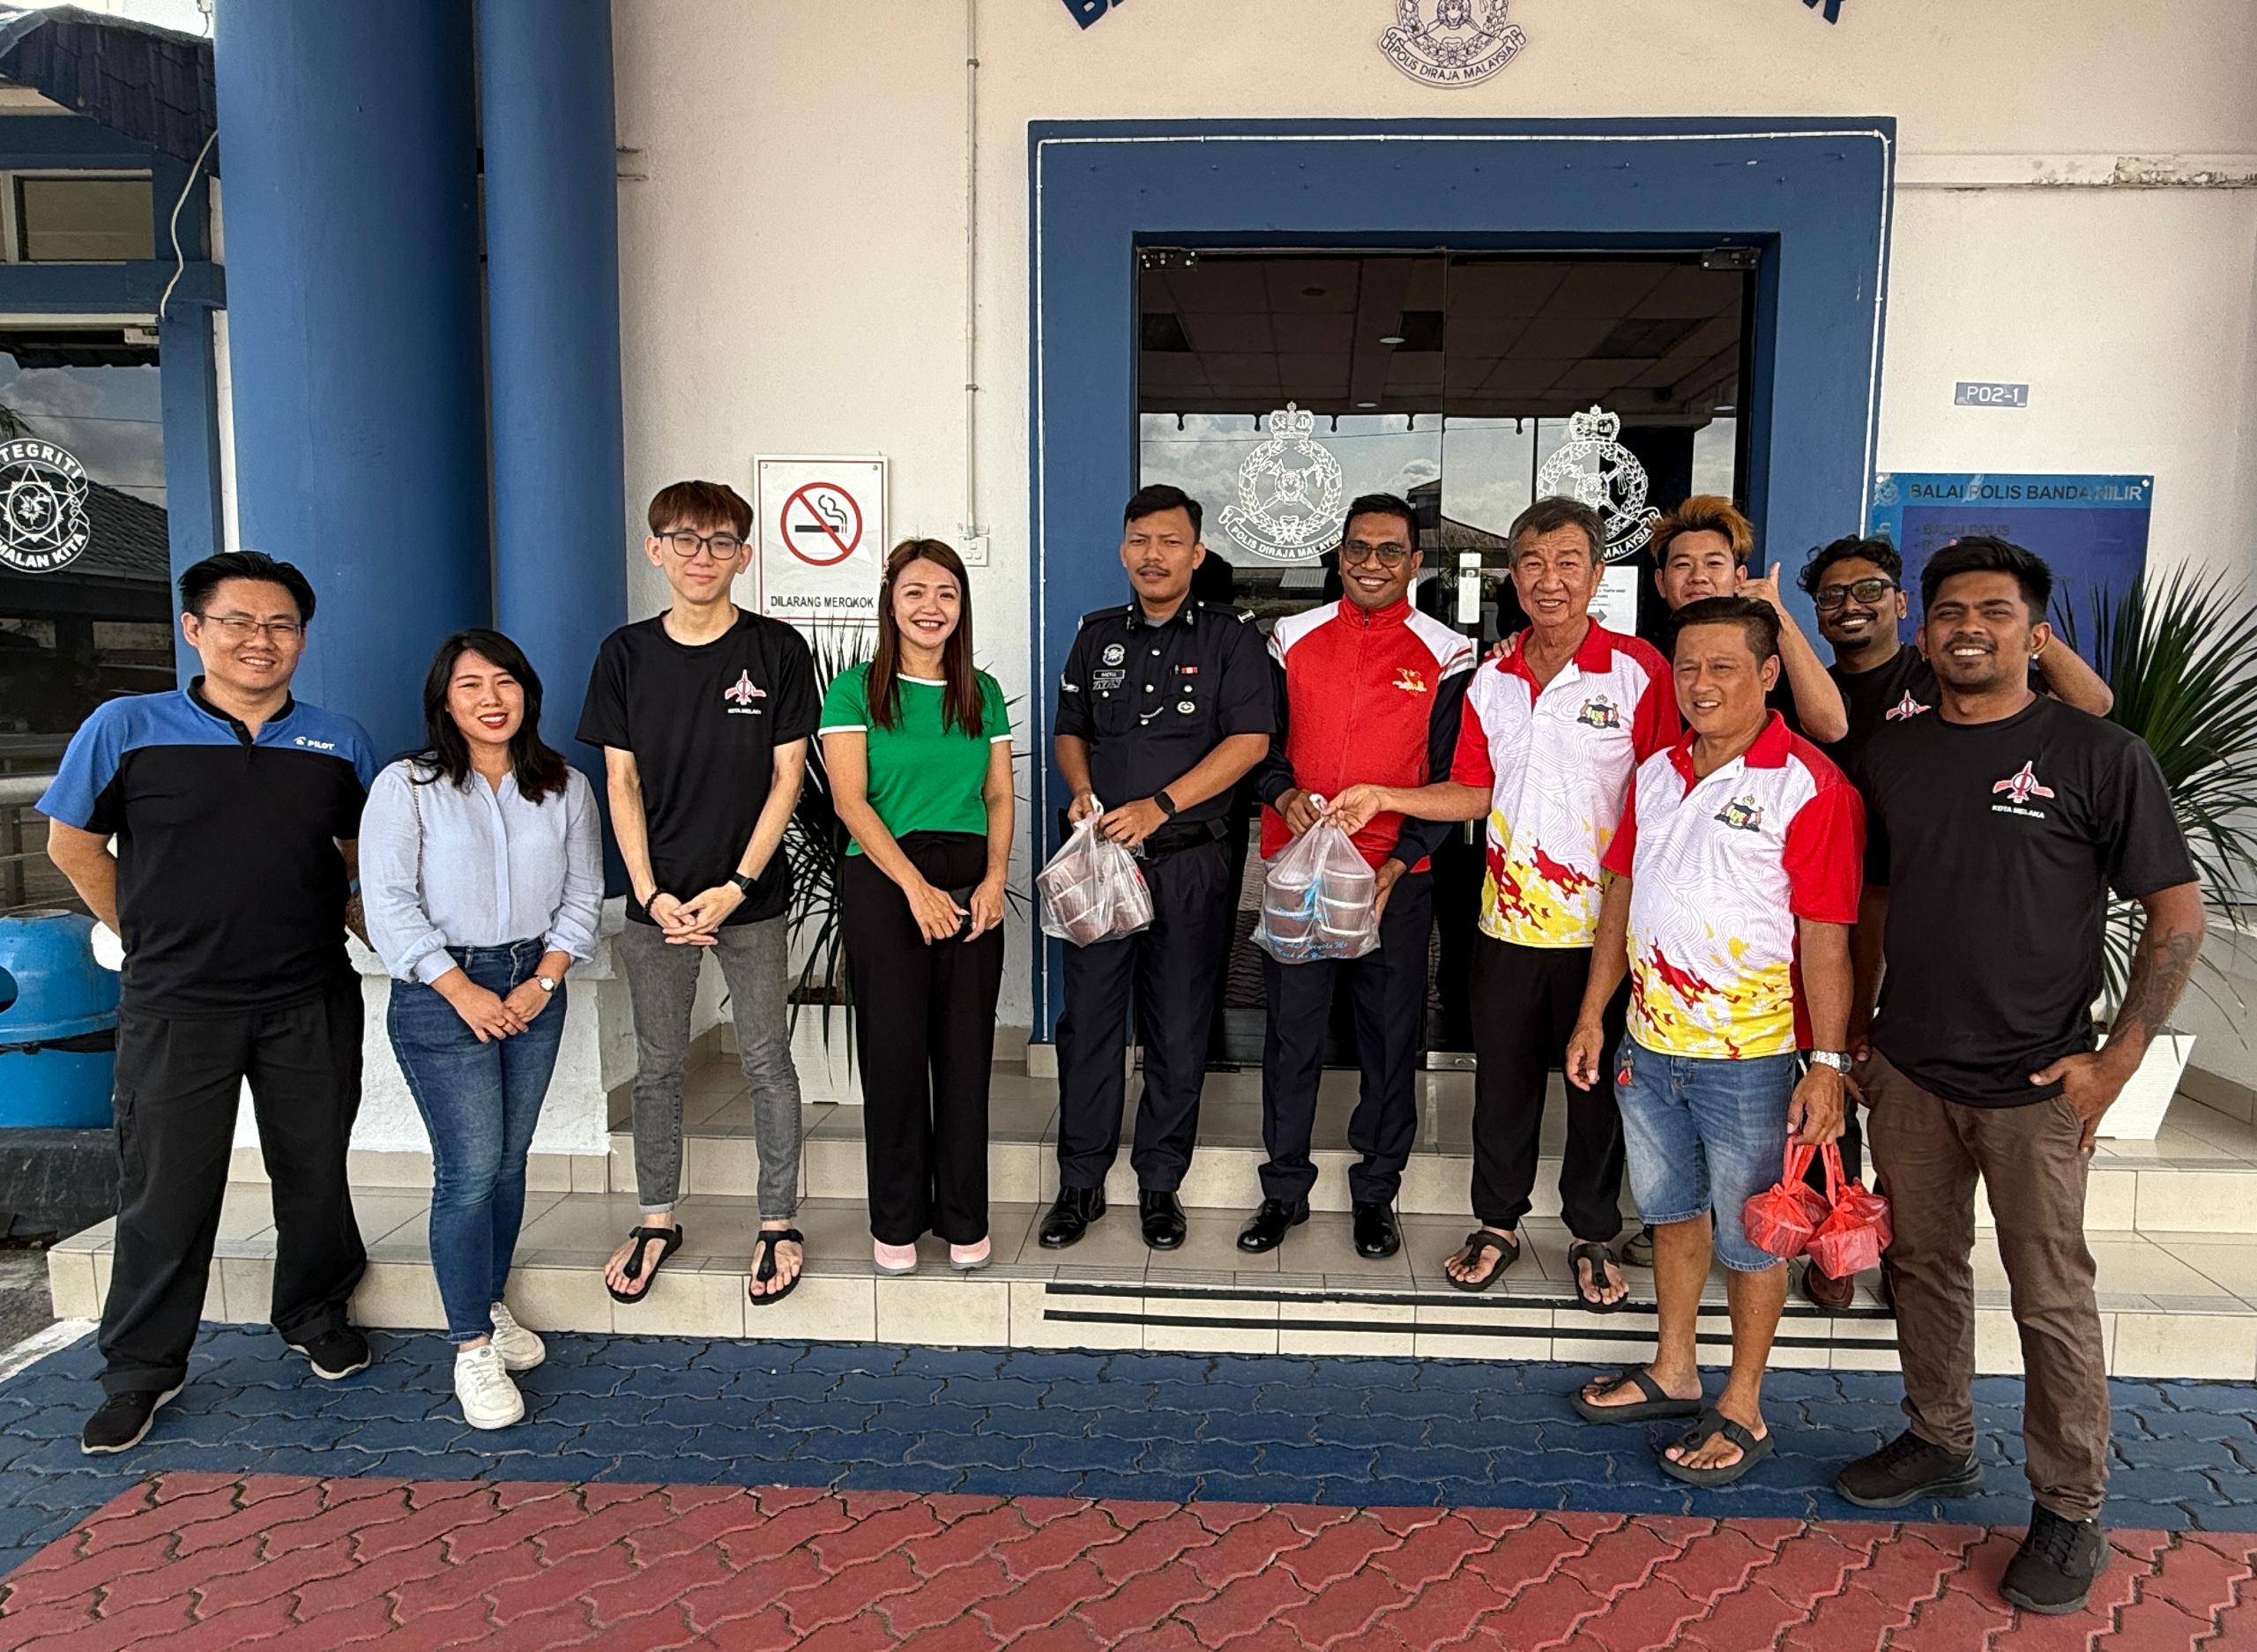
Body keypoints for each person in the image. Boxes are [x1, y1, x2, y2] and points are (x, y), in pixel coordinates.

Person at [1835, 537, 2202, 1616]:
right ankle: (1938, 1437)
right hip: (1908, 1070)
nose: (1967, 628)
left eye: (1993, 611)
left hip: (2040, 1082)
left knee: (2050, 1299)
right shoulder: (1895, 756)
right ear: (1923, 627)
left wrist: (2118, 1058)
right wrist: (1857, 1033)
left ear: (2033, 634)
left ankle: (2069, 1505)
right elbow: (1876, 905)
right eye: (1950, 610)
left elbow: (2173, 913)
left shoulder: (2098, 753)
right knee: (1924, 1268)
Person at [40, 551, 378, 1455]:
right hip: (176, 1002)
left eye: (280, 625)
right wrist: (147, 931)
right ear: (195, 629)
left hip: (308, 991)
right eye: (238, 621)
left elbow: (356, 848)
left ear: (302, 637)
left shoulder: (339, 739)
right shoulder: (127, 725)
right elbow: (72, 844)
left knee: (312, 1164)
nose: (259, 640)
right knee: (166, 1182)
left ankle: (315, 1311)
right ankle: (142, 1366)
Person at [1332, 496, 1677, 1310]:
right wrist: (1389, 794)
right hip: (1508, 925)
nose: (1549, 581)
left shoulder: (1641, 672)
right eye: (1532, 563)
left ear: (1597, 574)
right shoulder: (1494, 677)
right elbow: (1474, 793)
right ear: (1512, 576)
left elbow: (1667, 790)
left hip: (1610, 930)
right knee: (1503, 1085)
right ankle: (1498, 1223)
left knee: (1597, 1091)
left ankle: (1591, 1232)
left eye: (1567, 564)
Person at [1563, 596, 1863, 1485]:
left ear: (1768, 673)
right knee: (1668, 1211)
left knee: (1751, 1239)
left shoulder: (1808, 783)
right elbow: (1620, 894)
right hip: (1649, 1045)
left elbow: (1827, 936)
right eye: (1687, 666)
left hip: (1757, 1060)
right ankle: (1673, 1366)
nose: (1699, 683)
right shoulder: (1655, 771)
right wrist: (1593, 1012)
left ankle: (1742, 1403)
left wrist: (1830, 1065)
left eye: (1723, 665)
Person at [1790, 532, 2115, 1311]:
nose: (1850, 606)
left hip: (1949, 921)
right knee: (1839, 1069)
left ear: (1904, 607)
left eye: (1869, 590)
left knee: (1905, 1094)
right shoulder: (1817, 688)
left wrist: (2017, 633)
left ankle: (1896, 1255)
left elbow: (2095, 707)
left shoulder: (1938, 668)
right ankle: (1840, 1245)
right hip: (1857, 904)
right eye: (1831, 596)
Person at [577, 481, 816, 1308]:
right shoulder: (625, 654)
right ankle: (655, 1217)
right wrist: (648, 893)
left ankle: (778, 1220)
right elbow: (621, 777)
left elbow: (787, 776)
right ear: (655, 549)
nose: (701, 556)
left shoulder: (777, 649)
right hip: (658, 904)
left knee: (766, 1063)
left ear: (744, 556)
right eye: (684, 539)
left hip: (749, 897)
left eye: (720, 542)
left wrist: (736, 883)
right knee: (656, 1067)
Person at [359, 629, 601, 1429]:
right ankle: (469, 1347)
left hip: (535, 984)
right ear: (445, 701)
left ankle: (490, 1304)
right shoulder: (408, 785)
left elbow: (581, 897)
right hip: (440, 992)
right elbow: (389, 901)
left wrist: (543, 981)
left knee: (507, 1162)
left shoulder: (562, 785)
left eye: (504, 683)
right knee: (466, 1171)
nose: (490, 699)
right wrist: (459, 988)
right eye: (470, 686)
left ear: (527, 692)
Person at [1039, 484, 1274, 1251]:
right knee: (1091, 1026)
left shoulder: (1232, 638)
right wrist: (1081, 788)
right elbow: (1070, 728)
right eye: (1139, 539)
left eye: (1170, 542)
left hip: (1188, 863)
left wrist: (1160, 807)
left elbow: (1249, 744)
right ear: (1123, 549)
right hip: (1101, 863)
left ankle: (1159, 1184)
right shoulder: (1096, 634)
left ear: (1196, 554)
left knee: (1178, 1028)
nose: (1153, 555)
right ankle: (1080, 1182)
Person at [1241, 493, 1474, 1260]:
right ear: (1338, 557)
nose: (1371, 564)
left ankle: (1377, 1192)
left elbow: (1452, 779)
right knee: (1292, 1038)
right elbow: (1258, 748)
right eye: (1357, 550)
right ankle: (1284, 1190)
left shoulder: (1446, 652)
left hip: (1394, 880)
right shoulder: (1290, 638)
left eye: (1389, 552)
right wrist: (1283, 795)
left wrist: (1401, 861)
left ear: (1414, 563)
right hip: (1297, 872)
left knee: (1389, 1041)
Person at [821, 540, 1013, 1274]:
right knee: (895, 1054)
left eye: (947, 595)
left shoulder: (981, 692)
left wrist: (993, 880)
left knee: (964, 1055)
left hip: (971, 878)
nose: (931, 608)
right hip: (883, 878)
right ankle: (896, 1219)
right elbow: (849, 800)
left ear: (961, 608)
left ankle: (964, 1216)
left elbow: (997, 793)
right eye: (916, 593)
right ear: (890, 602)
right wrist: (915, 889)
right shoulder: (855, 691)